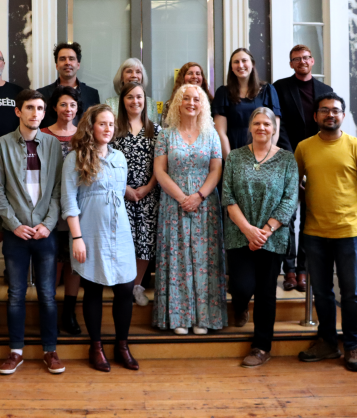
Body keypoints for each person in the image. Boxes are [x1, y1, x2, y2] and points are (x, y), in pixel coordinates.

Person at [295, 92, 357, 373]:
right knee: (322, 292)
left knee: (351, 293)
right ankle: (328, 342)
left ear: (343, 115)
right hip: (314, 232)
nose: (330, 114)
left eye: (335, 110)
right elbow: (295, 184)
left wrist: (351, 209)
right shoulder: (304, 148)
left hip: (347, 232)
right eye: (324, 110)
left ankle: (352, 345)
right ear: (316, 115)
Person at [0, 89, 65, 376]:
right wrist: (13, 224)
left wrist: (47, 223)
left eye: (41, 109)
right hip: (15, 233)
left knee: (47, 294)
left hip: (46, 232)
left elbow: (58, 190)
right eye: (30, 108)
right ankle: (15, 352)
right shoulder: (1, 146)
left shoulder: (54, 145)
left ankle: (50, 351)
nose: (36, 113)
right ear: (18, 112)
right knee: (16, 294)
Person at [61, 105, 138, 372]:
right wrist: (77, 238)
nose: (108, 129)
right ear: (90, 127)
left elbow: (118, 195)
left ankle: (122, 345)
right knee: (93, 287)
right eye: (102, 124)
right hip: (90, 232)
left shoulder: (119, 157)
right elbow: (69, 201)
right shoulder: (75, 158)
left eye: (111, 124)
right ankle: (95, 347)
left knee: (125, 288)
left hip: (120, 232)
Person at [222, 107, 299, 368]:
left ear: (274, 129)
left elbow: (290, 199)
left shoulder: (287, 159)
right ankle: (240, 305)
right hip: (239, 232)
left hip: (272, 237)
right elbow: (228, 197)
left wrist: (265, 230)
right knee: (242, 286)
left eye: (267, 124)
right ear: (250, 127)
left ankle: (261, 347)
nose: (262, 128)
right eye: (257, 123)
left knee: (266, 292)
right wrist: (248, 230)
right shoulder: (234, 157)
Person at [153, 84, 227, 335]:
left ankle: (204, 318)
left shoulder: (211, 134)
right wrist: (182, 197)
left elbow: (216, 169)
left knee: (205, 259)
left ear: (202, 104)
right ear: (178, 103)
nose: (191, 103)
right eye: (186, 98)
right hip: (173, 205)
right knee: (177, 259)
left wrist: (198, 196)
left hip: (205, 205)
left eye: (196, 99)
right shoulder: (165, 134)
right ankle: (178, 317)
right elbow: (160, 171)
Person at [274, 44, 334, 292]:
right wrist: (291, 158)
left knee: (310, 220)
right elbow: (280, 125)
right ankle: (288, 270)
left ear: (313, 61)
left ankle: (303, 271)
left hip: (318, 161)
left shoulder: (325, 90)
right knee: (287, 217)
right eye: (296, 59)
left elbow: (330, 122)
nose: (302, 61)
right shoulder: (280, 87)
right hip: (288, 159)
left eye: (306, 58)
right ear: (291, 64)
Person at [112, 82, 161, 307]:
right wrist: (124, 189)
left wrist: (149, 187)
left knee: (145, 242)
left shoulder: (156, 130)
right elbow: (105, 163)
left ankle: (137, 285)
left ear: (145, 100)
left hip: (148, 195)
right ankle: (122, 285)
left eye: (139, 97)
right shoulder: (113, 128)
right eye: (130, 97)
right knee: (124, 242)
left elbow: (161, 165)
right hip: (120, 195)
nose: (135, 101)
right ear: (123, 100)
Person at [41, 86, 83, 335]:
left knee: (72, 263)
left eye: (73, 105)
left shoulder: (83, 136)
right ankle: (50, 312)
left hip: (77, 209)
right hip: (48, 208)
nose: (68, 109)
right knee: (52, 260)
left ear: (78, 109)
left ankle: (69, 311)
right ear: (54, 107)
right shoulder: (43, 134)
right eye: (63, 104)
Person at [213, 48, 282, 159]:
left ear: (252, 64)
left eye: (244, 61)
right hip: (233, 150)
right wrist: (231, 162)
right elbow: (220, 132)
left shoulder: (268, 90)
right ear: (231, 67)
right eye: (236, 62)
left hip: (261, 150)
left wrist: (266, 156)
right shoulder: (223, 93)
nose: (240, 65)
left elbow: (275, 127)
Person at [38, 42, 100, 128]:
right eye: (62, 59)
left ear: (78, 65)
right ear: (57, 65)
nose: (67, 62)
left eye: (71, 59)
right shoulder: (41, 94)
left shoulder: (92, 94)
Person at [160, 62, 213, 128]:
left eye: (198, 73)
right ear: (182, 78)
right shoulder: (169, 105)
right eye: (190, 73)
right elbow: (165, 130)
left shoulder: (212, 104)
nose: (194, 76)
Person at [105, 58, 158, 123]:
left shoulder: (151, 103)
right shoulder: (109, 103)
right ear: (121, 77)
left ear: (142, 77)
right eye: (129, 71)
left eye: (138, 72)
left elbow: (156, 132)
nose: (134, 75)